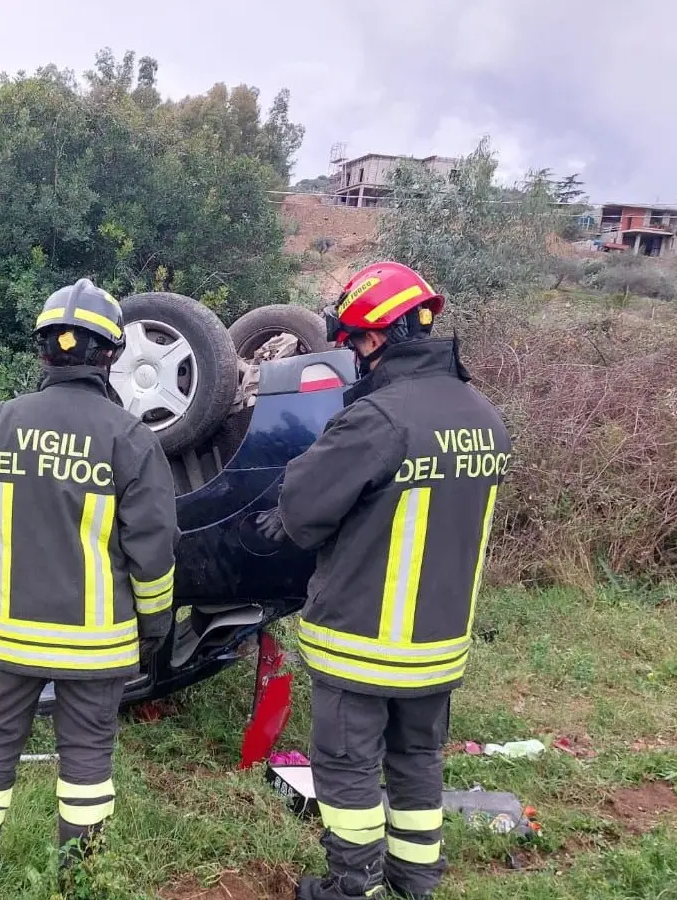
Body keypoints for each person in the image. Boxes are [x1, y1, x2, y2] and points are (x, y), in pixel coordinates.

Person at [252, 261, 513, 900]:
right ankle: (414, 882)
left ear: (373, 337)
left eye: (351, 344)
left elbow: (302, 508)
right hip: (438, 645)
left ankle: (353, 886)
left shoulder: (379, 420)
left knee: (347, 768)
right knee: (417, 762)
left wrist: (281, 516)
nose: (352, 358)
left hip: (361, 641)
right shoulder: (485, 417)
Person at [0, 277, 180, 875]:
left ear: (45, 349)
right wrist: (154, 624)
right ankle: (77, 880)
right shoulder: (130, 437)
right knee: (86, 763)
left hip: (7, 635)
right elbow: (153, 548)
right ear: (111, 354)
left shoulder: (2, 424)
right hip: (96, 645)